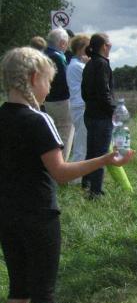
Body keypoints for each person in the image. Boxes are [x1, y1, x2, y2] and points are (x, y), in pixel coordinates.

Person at [0, 47, 133, 303]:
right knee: (43, 292)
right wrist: (104, 160)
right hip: (39, 214)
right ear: (33, 79)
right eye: (48, 81)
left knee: (18, 288)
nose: (49, 88)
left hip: (8, 213)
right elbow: (60, 172)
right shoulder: (39, 119)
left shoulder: (2, 116)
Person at [80, 32, 116, 198]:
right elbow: (104, 93)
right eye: (109, 44)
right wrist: (113, 111)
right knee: (101, 154)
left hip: (90, 113)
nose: (110, 47)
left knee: (91, 151)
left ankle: (86, 183)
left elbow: (84, 92)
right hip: (101, 116)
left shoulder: (89, 64)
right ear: (104, 46)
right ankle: (95, 191)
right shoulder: (102, 64)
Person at [43, 28, 74, 161]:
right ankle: (61, 164)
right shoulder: (58, 57)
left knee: (52, 132)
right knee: (65, 132)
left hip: (47, 99)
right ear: (62, 43)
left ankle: (51, 162)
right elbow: (65, 80)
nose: (67, 47)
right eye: (66, 43)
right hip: (61, 100)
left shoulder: (43, 54)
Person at [66, 34, 90, 171]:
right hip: (81, 107)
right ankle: (76, 177)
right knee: (81, 146)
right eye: (88, 48)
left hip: (79, 106)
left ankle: (81, 176)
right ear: (81, 49)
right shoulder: (78, 66)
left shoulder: (76, 65)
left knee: (83, 143)